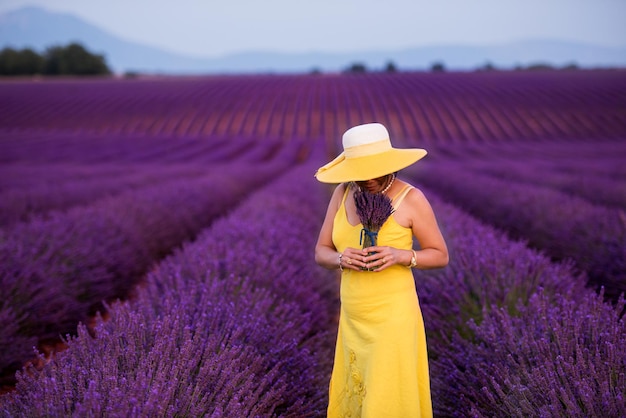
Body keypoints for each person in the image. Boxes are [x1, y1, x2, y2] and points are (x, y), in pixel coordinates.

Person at [314, 122, 449, 418]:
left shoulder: (412, 199)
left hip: (392, 316)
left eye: (373, 169)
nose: (367, 179)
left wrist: (401, 255)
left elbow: (439, 255)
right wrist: (341, 259)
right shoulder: (342, 193)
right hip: (353, 315)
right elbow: (321, 252)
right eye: (360, 172)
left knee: (386, 399)